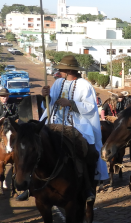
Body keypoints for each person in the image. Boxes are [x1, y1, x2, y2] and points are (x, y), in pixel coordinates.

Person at [40, 55, 109, 202]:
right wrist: (44, 96)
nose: (59, 71)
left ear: (69, 70)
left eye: (61, 69)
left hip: (77, 125)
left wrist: (71, 103)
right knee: (34, 144)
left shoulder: (85, 85)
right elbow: (48, 104)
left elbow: (91, 108)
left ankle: (88, 186)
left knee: (86, 151)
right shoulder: (57, 83)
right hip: (54, 121)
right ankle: (33, 183)